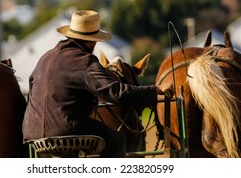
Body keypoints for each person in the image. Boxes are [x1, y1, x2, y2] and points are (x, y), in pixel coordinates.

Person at [22, 10, 173, 157]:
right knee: (116, 140)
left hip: (32, 133)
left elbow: (31, 89)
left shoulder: (45, 57)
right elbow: (117, 92)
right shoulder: (85, 61)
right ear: (90, 41)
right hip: (66, 130)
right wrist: (156, 90)